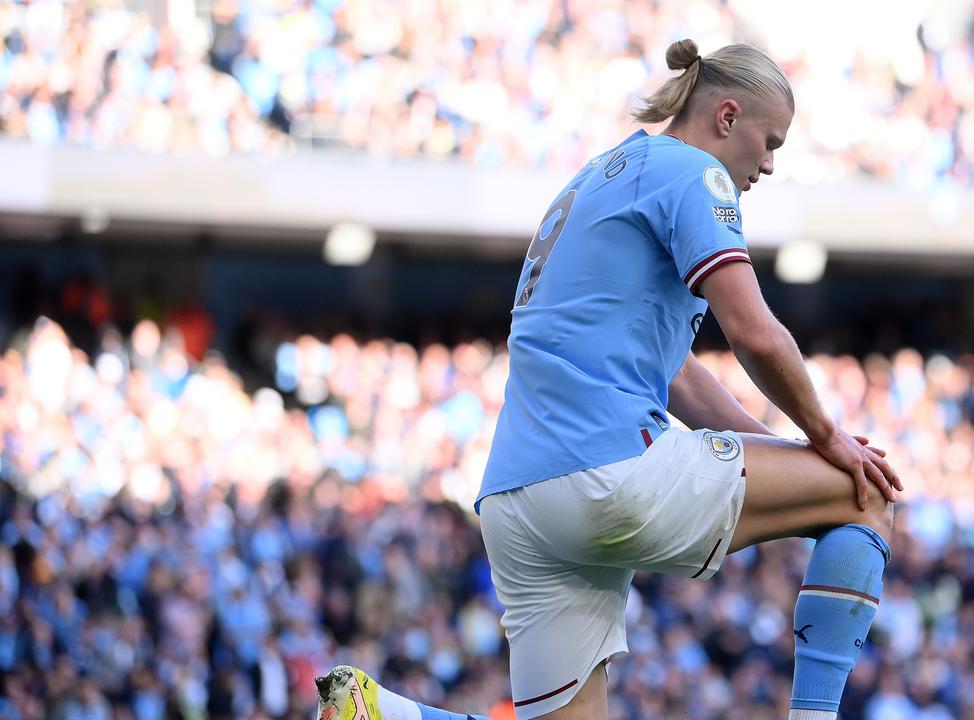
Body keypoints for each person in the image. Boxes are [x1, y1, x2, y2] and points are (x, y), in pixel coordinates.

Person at [315, 38, 902, 720]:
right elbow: (754, 334)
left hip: (518, 500)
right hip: (608, 469)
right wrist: (828, 439)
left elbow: (678, 377)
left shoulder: (600, 176)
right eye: (769, 141)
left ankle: (382, 714)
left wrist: (787, 454)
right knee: (865, 495)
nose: (768, 164)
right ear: (726, 117)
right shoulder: (694, 175)